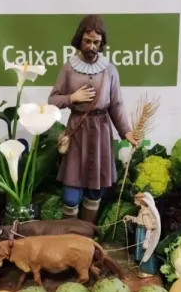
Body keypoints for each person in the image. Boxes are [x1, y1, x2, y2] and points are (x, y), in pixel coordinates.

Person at [48, 14, 139, 222]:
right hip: (77, 130)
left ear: (102, 43)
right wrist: (72, 98)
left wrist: (126, 131)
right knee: (71, 194)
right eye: (87, 41)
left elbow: (116, 104)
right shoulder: (69, 69)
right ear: (79, 40)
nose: (91, 46)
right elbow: (52, 100)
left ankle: (87, 234)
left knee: (95, 191)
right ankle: (70, 233)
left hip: (101, 132)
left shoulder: (110, 70)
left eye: (96, 42)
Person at [124, 192, 161, 277]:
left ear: (141, 201)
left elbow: (149, 228)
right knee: (141, 251)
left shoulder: (145, 213)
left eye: (136, 200)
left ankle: (147, 270)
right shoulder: (142, 211)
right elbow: (139, 220)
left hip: (143, 233)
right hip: (140, 231)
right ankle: (143, 268)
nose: (134, 202)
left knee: (144, 251)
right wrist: (130, 218)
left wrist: (147, 241)